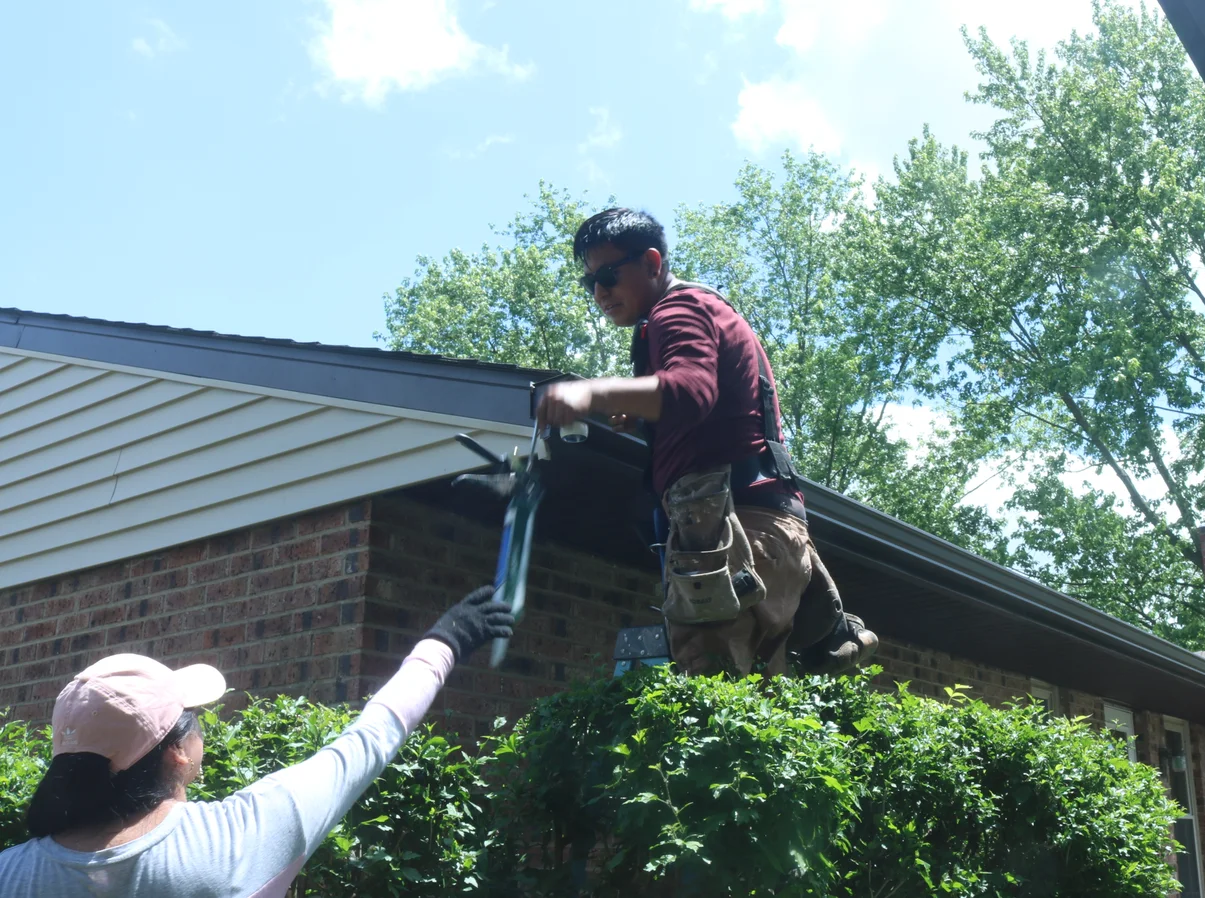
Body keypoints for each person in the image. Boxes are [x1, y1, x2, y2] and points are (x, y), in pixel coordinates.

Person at [536, 207, 878, 677]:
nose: (599, 291)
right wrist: (643, 416)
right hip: (764, 526)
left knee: (713, 698)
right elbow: (710, 408)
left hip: (736, 531)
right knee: (758, 708)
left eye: (610, 275)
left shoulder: (677, 310)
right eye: (589, 282)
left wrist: (590, 391)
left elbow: (691, 389)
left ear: (653, 263)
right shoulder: (706, 307)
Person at [0, 586, 513, 898]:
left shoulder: (11, 874)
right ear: (177, 751)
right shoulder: (237, 840)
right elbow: (371, 737)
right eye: (193, 718)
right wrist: (448, 637)